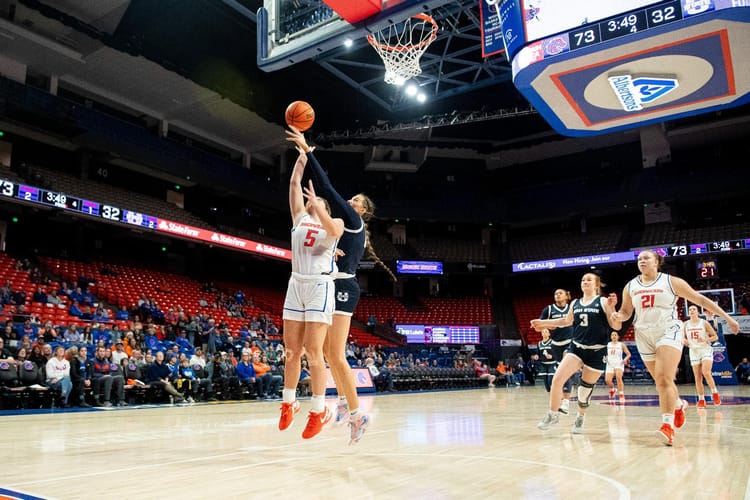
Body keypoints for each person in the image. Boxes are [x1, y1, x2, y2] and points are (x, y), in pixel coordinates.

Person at [286, 127, 396, 444]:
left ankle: (358, 414)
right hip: (331, 283)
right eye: (353, 200)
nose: (351, 201)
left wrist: (308, 152)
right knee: (319, 352)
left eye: (357, 201)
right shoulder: (348, 228)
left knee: (334, 355)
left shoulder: (353, 219)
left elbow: (327, 188)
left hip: (342, 288)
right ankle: (344, 407)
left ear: (363, 211)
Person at [611, 250, 740, 446]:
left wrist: (728, 319)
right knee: (661, 383)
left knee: (664, 379)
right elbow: (626, 312)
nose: (642, 261)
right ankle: (679, 404)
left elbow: (702, 300)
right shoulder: (630, 286)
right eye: (639, 259)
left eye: (646, 258)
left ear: (657, 262)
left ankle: (667, 426)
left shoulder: (671, 282)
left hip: (668, 330)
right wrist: (617, 315)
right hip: (643, 334)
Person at [277, 143, 344, 440]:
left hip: (320, 286)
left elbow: (334, 230)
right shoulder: (299, 219)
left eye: (316, 204)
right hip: (296, 284)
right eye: (309, 203)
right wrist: (302, 158)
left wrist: (319, 205)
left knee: (315, 352)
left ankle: (319, 409)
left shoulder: (335, 223)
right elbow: (293, 184)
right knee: (291, 352)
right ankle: (288, 403)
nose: (310, 204)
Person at [532, 273, 622, 435]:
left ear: (596, 285)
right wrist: (543, 323)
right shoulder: (575, 303)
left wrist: (613, 308)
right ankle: (552, 414)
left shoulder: (602, 302)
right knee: (557, 379)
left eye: (589, 280)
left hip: (597, 351)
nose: (585, 282)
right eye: (583, 280)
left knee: (584, 390)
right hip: (577, 348)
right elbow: (565, 321)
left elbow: (616, 326)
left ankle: (581, 416)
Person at [533, 289, 575, 415]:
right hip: (555, 344)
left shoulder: (571, 308)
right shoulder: (549, 309)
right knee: (560, 372)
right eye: (555, 293)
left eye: (560, 293)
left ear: (566, 296)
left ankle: (566, 402)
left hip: (570, 341)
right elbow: (539, 326)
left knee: (565, 367)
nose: (557, 295)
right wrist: (545, 325)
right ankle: (560, 401)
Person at [683, 305, 721, 408]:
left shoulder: (703, 323)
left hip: (705, 349)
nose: (691, 311)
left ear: (698, 312)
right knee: (697, 377)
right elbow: (680, 337)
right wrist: (683, 340)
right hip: (693, 350)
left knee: (706, 372)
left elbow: (715, 337)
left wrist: (705, 340)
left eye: (694, 309)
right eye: (690, 309)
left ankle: (715, 393)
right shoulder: (685, 324)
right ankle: (701, 399)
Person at [605, 331, 631, 403]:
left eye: (615, 335)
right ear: (610, 337)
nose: (614, 336)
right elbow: (603, 353)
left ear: (618, 337)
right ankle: (613, 389)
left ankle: (621, 394)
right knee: (607, 380)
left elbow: (628, 354)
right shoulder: (607, 344)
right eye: (612, 335)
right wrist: (605, 358)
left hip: (618, 363)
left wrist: (625, 359)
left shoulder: (621, 345)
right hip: (609, 364)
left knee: (618, 377)